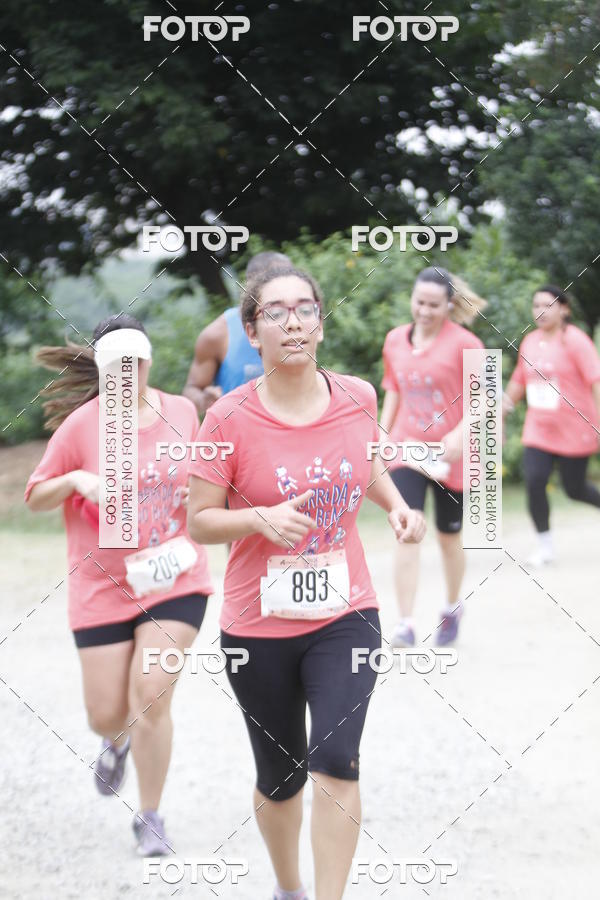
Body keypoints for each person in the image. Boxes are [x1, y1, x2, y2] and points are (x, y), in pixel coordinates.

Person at [186, 263, 426, 900]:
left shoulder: (358, 395)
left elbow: (368, 467)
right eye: (275, 311)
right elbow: (200, 521)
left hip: (347, 612)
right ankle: (289, 887)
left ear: (321, 320)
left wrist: (397, 506)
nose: (293, 320)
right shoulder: (227, 419)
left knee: (337, 759)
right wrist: (259, 518)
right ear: (251, 331)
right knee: (282, 775)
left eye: (305, 308)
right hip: (256, 626)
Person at [25, 315, 214, 856]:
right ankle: (116, 740)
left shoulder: (181, 411)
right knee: (106, 712)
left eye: (137, 362)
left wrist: (198, 498)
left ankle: (150, 817)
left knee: (152, 696)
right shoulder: (82, 426)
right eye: (117, 365)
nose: (128, 373)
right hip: (102, 584)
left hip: (174, 576)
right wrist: (74, 479)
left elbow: (203, 477)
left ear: (149, 362)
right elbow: (35, 495)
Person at [380, 266, 487, 648]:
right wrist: (381, 434)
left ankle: (452, 606)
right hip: (408, 449)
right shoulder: (395, 340)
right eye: (419, 302)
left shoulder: (467, 344)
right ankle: (405, 623)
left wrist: (460, 434)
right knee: (408, 531)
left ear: (449, 304)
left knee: (447, 538)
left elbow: (482, 399)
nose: (424, 311)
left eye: (433, 305)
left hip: (451, 456)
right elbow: (393, 389)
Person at [503, 285, 600, 566]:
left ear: (564, 309)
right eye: (536, 306)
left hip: (575, 428)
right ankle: (545, 545)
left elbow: (595, 382)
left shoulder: (577, 341)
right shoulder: (530, 342)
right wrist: (502, 412)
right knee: (534, 481)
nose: (540, 311)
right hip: (539, 429)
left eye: (547, 305)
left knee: (575, 489)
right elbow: (519, 381)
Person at [184, 251, 291, 413]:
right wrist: (203, 399)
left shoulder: (300, 325)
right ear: (250, 288)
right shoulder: (218, 333)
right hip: (237, 432)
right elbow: (191, 390)